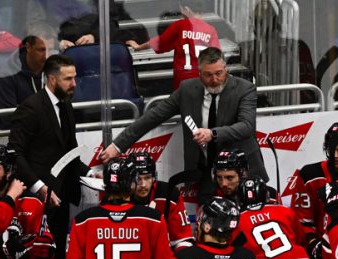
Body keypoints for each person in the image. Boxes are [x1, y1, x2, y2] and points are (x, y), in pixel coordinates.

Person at [99, 46, 267, 204]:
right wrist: (118, 145)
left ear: (226, 69)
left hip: (244, 173)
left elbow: (246, 126)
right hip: (209, 174)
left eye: (219, 73)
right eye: (208, 75)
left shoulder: (245, 89)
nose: (215, 79)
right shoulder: (187, 89)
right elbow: (153, 117)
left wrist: (212, 134)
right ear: (199, 73)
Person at [8, 54, 90, 259]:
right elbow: (15, 153)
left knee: (58, 256)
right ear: (52, 79)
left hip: (61, 194)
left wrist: (91, 173)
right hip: (37, 200)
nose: (74, 84)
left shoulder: (66, 106)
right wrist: (40, 187)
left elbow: (68, 151)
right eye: (68, 79)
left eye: (74, 78)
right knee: (38, 258)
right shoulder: (31, 108)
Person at [281, 122, 338, 234]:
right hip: (322, 243)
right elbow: (302, 221)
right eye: (332, 149)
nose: (335, 155)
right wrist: (313, 244)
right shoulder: (309, 175)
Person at [126, 1, 220, 91]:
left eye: (181, 9)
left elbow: (159, 42)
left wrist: (139, 47)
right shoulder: (211, 30)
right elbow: (217, 57)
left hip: (182, 82)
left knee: (182, 106)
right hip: (204, 81)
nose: (181, 12)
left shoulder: (180, 26)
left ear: (187, 9)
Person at [0, 22, 57, 121]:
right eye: (42, 50)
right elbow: (7, 119)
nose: (47, 56)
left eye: (51, 49)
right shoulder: (6, 76)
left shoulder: (56, 70)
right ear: (28, 47)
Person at [126, 151, 194, 251]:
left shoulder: (169, 194)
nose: (143, 184)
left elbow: (183, 240)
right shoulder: (121, 196)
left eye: (147, 178)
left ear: (154, 178)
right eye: (137, 179)